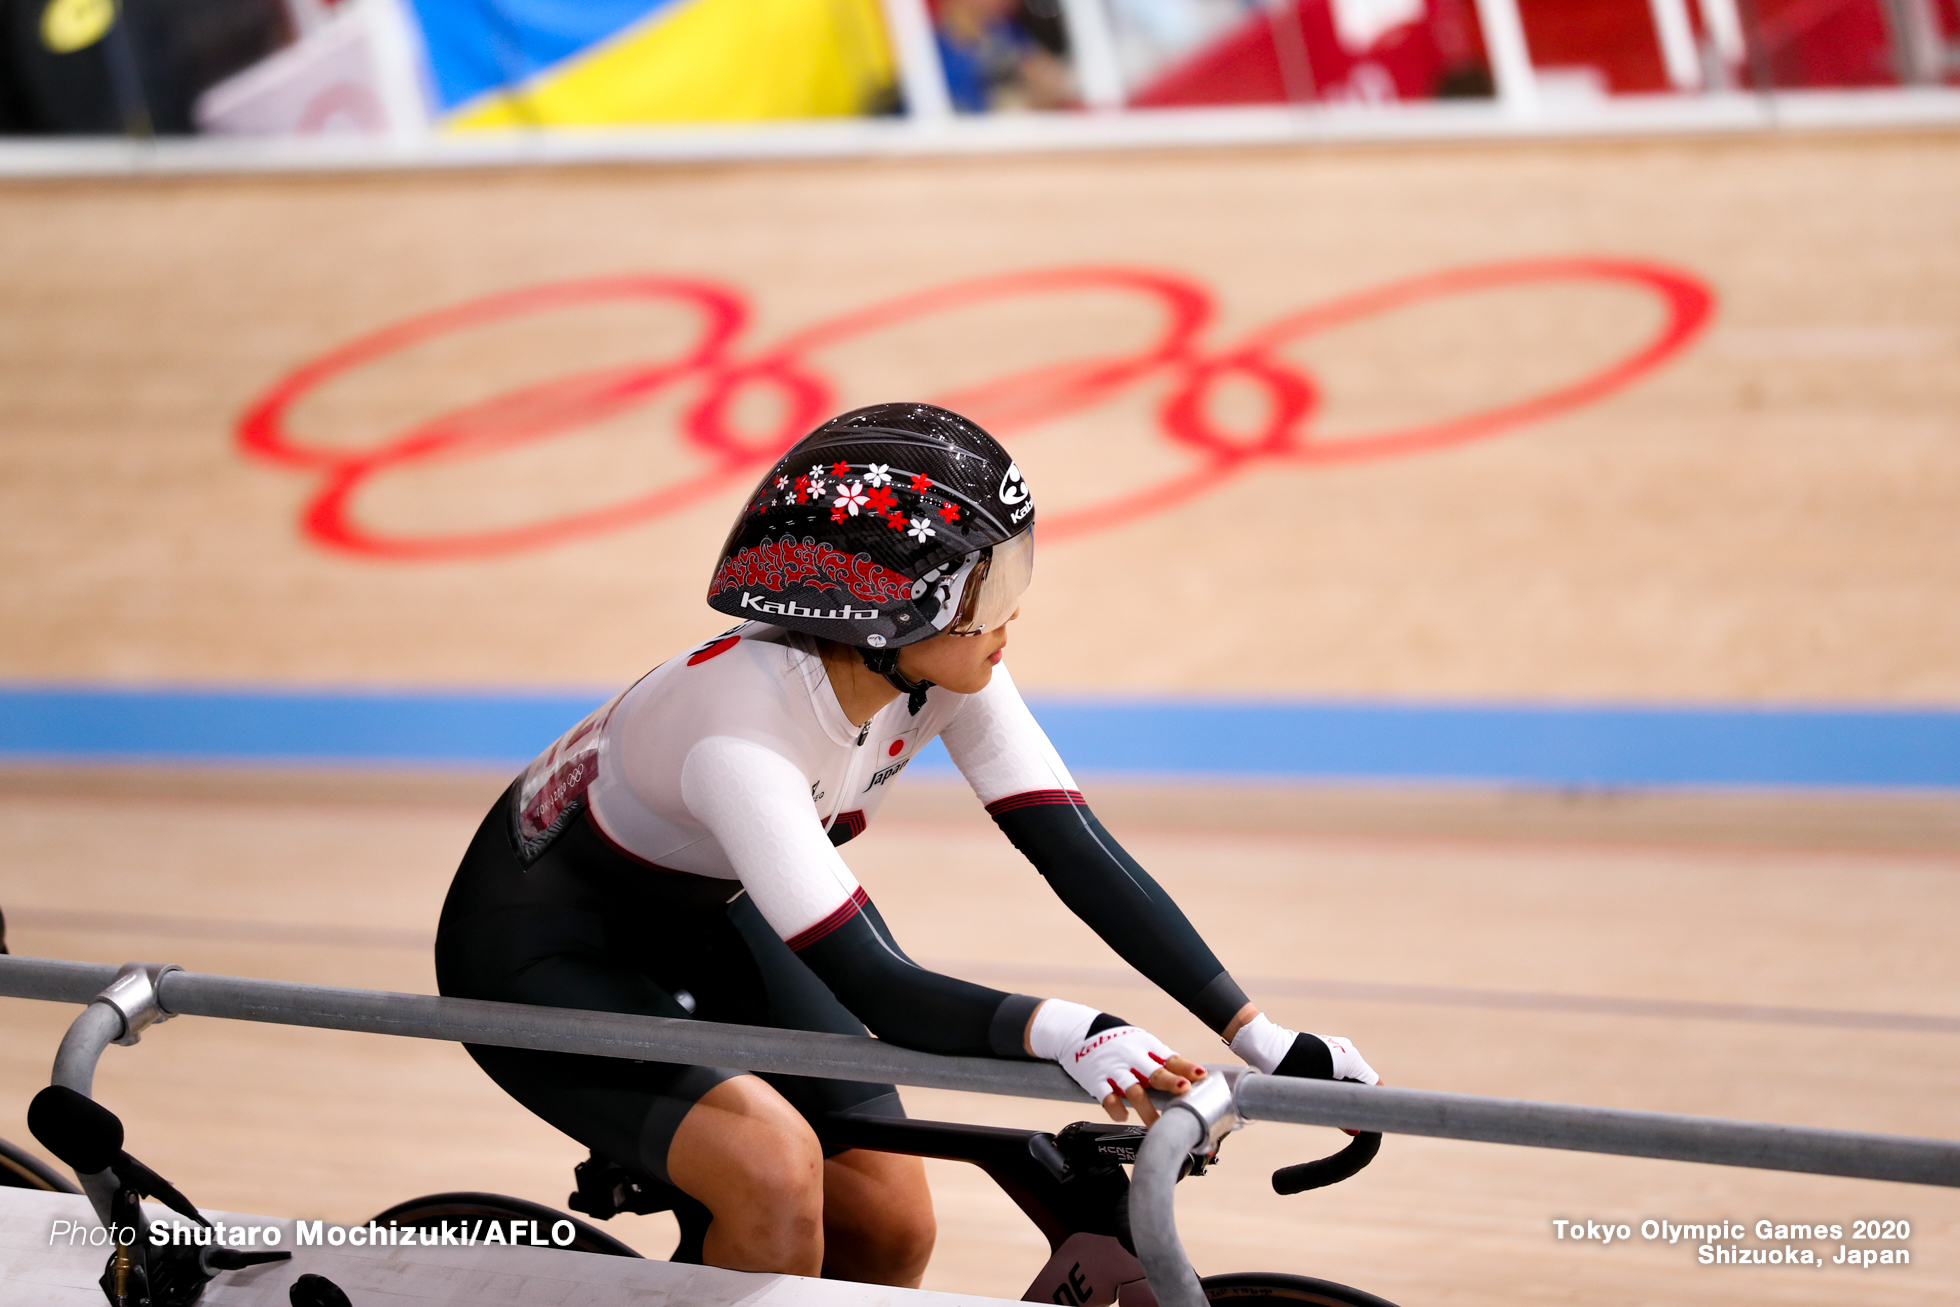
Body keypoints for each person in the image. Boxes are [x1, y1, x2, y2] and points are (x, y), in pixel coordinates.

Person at [434, 402, 1378, 1286]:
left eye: (1012, 574)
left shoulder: (950, 670)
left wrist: (1259, 1033)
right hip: (541, 951)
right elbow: (877, 982)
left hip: (704, 917)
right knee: (771, 1175)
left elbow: (1076, 849)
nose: (1007, 615)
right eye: (982, 587)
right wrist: (1074, 1030)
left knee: (890, 1225)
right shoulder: (738, 738)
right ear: (886, 607)